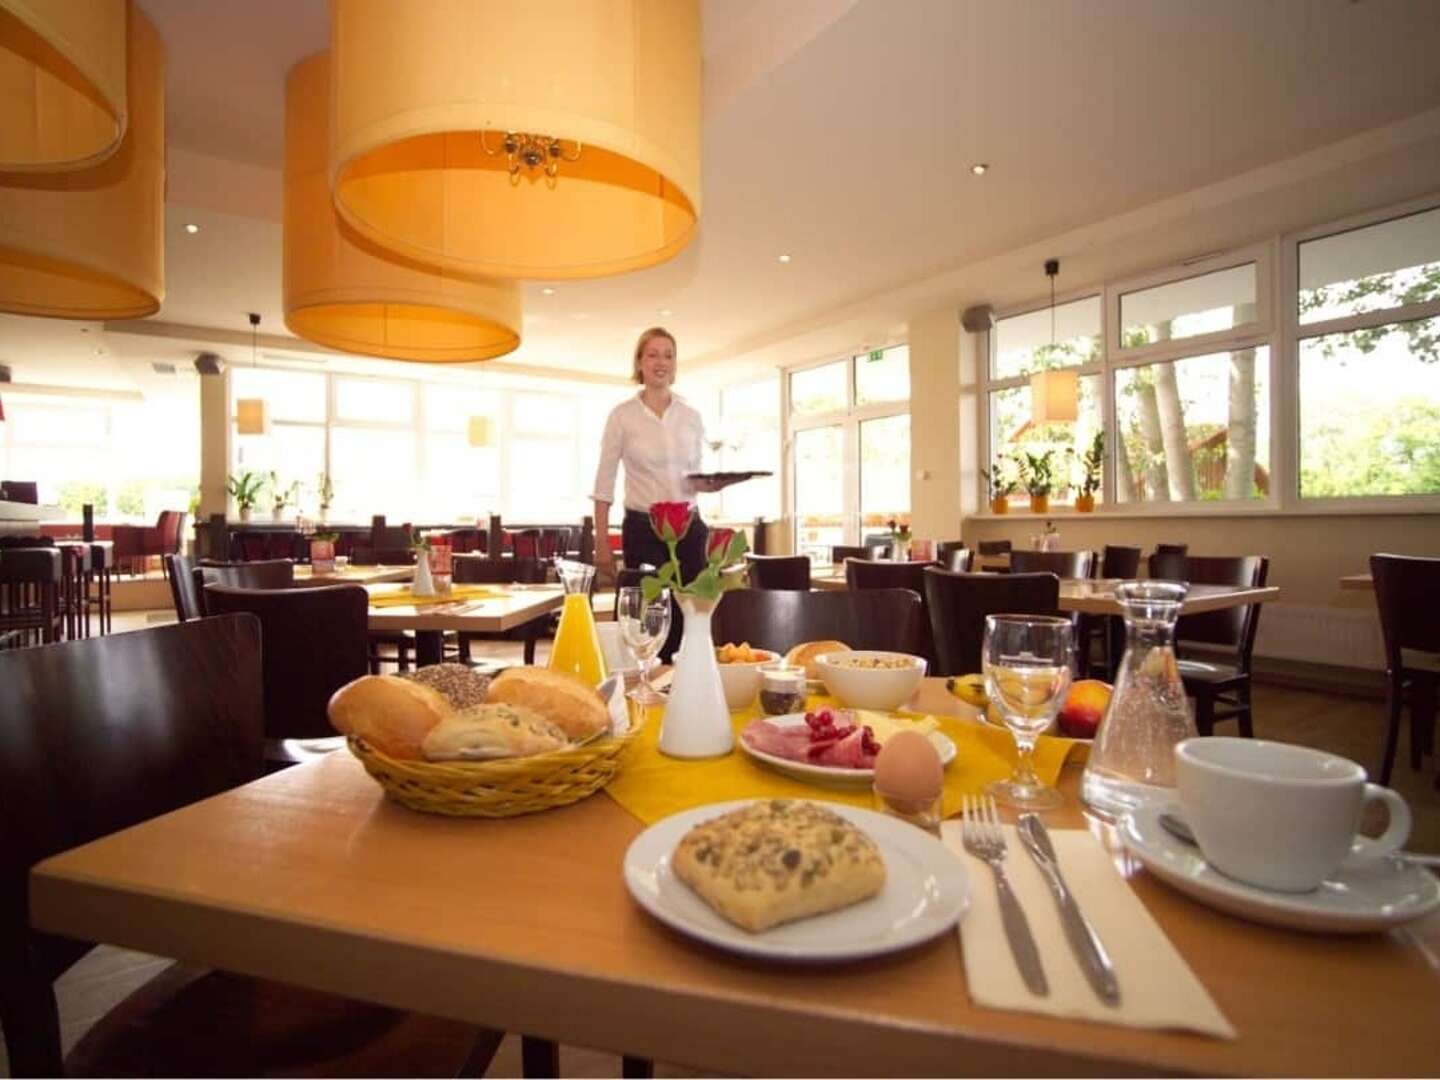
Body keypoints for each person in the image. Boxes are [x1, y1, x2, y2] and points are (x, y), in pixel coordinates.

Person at [592, 327, 731, 660]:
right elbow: (604, 483)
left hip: (690, 529)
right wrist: (601, 542)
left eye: (668, 355)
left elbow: (692, 477)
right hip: (643, 530)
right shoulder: (622, 416)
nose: (661, 362)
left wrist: (710, 485)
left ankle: (687, 681)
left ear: (675, 364)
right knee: (646, 621)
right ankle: (648, 683)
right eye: (652, 354)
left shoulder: (691, 416)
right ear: (639, 362)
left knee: (692, 620)